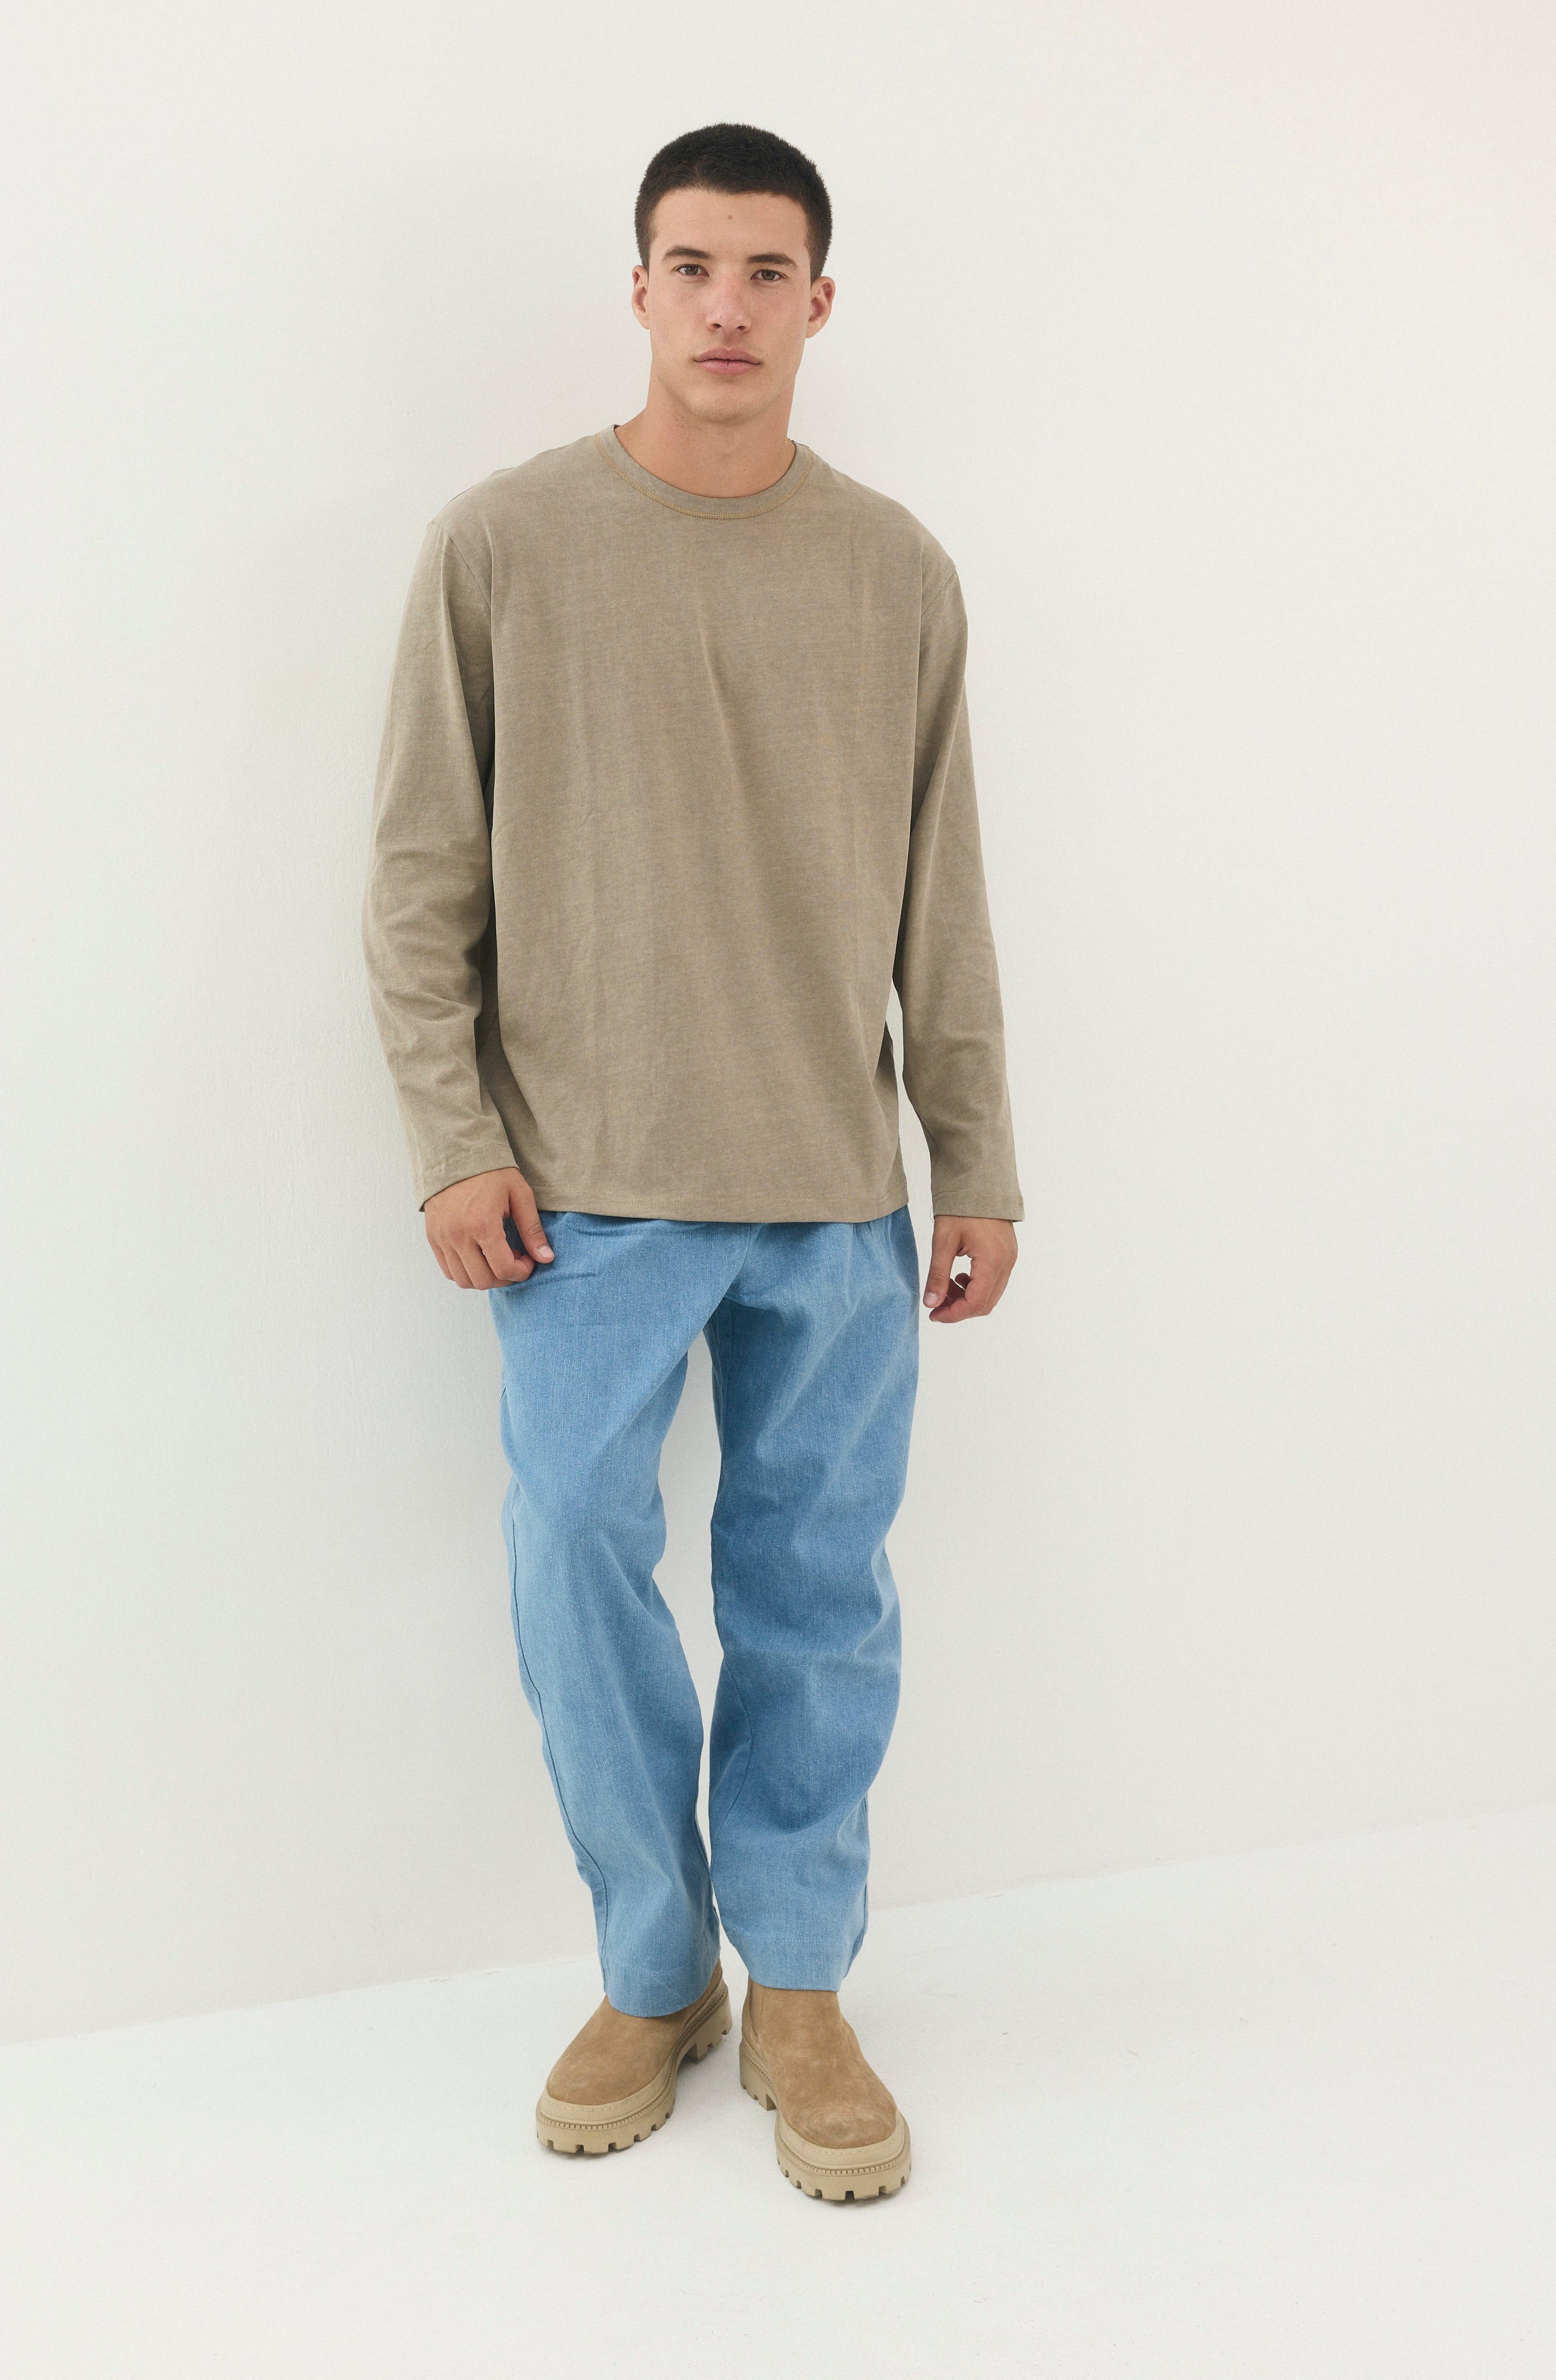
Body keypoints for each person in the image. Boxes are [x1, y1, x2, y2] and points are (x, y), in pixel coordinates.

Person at [362, 121, 1022, 2203]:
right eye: (689, 267)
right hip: (581, 1196)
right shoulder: (503, 546)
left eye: (764, 273)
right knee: (575, 1554)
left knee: (816, 1592)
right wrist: (452, 1140)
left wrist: (976, 1156)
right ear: (636, 289)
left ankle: (801, 1982)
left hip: (832, 1187)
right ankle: (658, 1971)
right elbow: (418, 881)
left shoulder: (895, 569)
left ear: (820, 302)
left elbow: (943, 897)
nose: (726, 307)